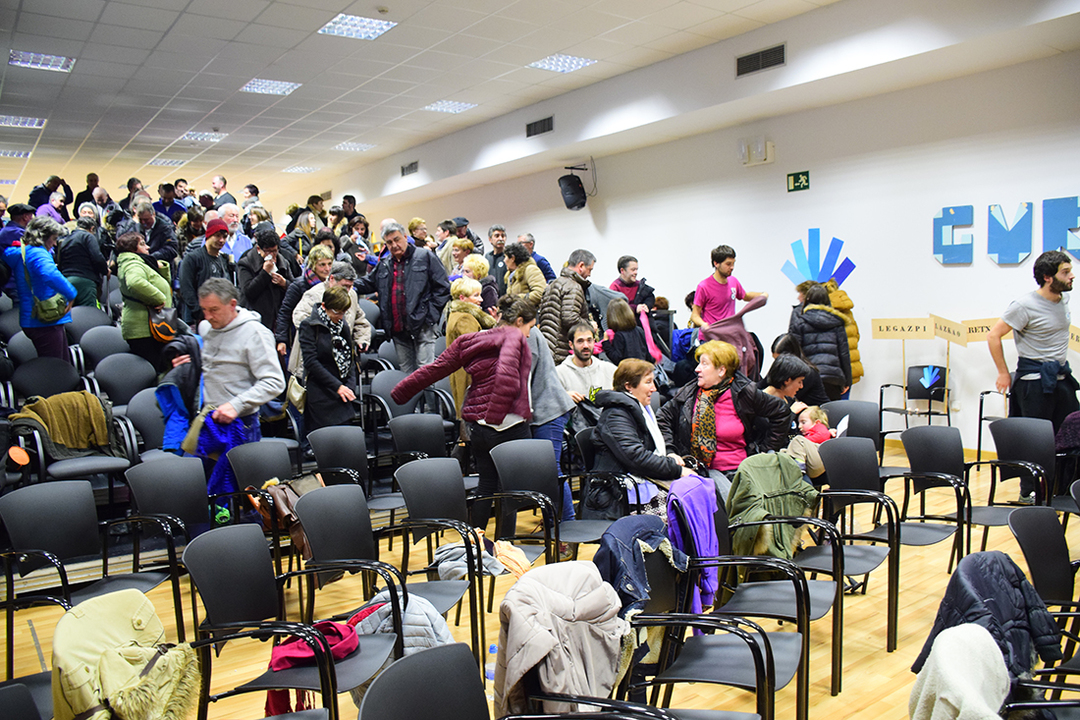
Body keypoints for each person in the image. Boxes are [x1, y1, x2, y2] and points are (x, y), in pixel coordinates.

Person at [391, 299, 535, 529]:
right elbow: (506, 382)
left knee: (486, 485)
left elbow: (436, 369)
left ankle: (476, 540)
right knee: (509, 491)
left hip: (479, 427)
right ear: (519, 321)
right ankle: (505, 546)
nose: (528, 334)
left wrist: (401, 391)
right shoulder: (515, 341)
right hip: (509, 426)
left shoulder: (472, 340)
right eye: (529, 327)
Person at [174, 278, 285, 495]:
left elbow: (274, 382)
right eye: (204, 310)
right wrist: (187, 364)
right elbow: (210, 368)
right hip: (207, 420)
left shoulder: (255, 333)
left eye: (214, 310)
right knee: (199, 492)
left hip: (241, 425)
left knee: (240, 496)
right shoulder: (206, 328)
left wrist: (236, 404)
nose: (207, 316)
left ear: (232, 304)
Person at [989, 249, 1078, 502]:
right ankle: (1028, 491)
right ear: (1048, 277)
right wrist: (1003, 372)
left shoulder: (1062, 300)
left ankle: (1063, 488)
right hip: (1034, 383)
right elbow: (993, 335)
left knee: (1072, 433)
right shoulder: (1024, 305)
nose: (1072, 276)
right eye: (1065, 272)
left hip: (1060, 379)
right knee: (1035, 440)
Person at [658, 340, 789, 501]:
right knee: (731, 504)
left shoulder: (744, 392)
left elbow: (782, 413)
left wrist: (765, 450)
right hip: (703, 471)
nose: (697, 369)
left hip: (742, 469)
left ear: (721, 370)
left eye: (704, 364)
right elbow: (662, 418)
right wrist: (670, 451)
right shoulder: (688, 393)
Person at [354, 222, 450, 374]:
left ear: (405, 237)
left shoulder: (425, 257)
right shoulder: (385, 264)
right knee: (406, 375)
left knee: (425, 374)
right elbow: (368, 283)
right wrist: (345, 283)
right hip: (398, 328)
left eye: (397, 239)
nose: (394, 245)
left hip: (423, 325)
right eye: (389, 242)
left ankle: (428, 394)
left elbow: (443, 287)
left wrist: (431, 315)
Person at [593, 358, 689, 485]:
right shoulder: (615, 415)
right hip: (615, 490)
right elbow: (636, 458)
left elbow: (652, 444)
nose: (654, 388)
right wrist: (677, 470)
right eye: (648, 382)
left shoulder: (641, 410)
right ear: (628, 386)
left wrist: (669, 453)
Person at [4, 216, 76, 360]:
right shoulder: (38, 253)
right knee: (55, 364)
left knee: (58, 362)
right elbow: (50, 274)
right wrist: (71, 293)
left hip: (33, 317)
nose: (54, 243)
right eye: (53, 239)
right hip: (45, 318)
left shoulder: (23, 252)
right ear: (42, 237)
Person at [297, 285, 358, 433]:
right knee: (324, 437)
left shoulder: (342, 325)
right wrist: (337, 386)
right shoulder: (309, 325)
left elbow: (349, 357)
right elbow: (311, 362)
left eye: (343, 312)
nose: (340, 317)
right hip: (321, 391)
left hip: (342, 391)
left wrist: (350, 385)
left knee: (345, 436)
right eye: (337, 312)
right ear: (324, 306)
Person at [116, 231, 172, 370]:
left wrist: (160, 267)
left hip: (151, 326)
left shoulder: (140, 262)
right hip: (144, 329)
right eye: (142, 244)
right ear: (132, 249)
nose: (147, 247)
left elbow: (163, 282)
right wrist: (159, 299)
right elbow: (135, 283)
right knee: (155, 369)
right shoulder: (132, 263)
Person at [787, 283, 851, 401]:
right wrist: (847, 380)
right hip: (833, 377)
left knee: (809, 411)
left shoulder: (800, 321)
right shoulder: (838, 322)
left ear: (807, 300)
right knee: (831, 411)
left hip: (807, 376)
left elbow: (794, 351)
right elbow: (844, 353)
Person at [445, 277, 497, 415]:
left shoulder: (456, 314)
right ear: (462, 298)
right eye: (476, 295)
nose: (481, 299)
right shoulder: (465, 319)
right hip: (469, 376)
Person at [274, 244, 335, 358]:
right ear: (313, 265)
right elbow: (285, 312)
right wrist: (281, 340)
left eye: (329, 264)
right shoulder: (298, 285)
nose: (327, 269)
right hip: (299, 337)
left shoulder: (333, 285)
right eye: (322, 265)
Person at [538, 249, 595, 365]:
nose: (589, 274)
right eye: (590, 269)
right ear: (581, 266)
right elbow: (570, 318)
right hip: (560, 350)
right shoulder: (573, 287)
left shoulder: (553, 284)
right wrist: (589, 325)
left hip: (546, 347)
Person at [689, 245, 766, 327]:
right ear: (716, 263)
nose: (732, 267)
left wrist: (762, 295)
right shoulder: (704, 286)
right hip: (712, 333)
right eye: (728, 264)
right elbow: (695, 316)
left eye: (733, 263)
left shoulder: (733, 281)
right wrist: (704, 325)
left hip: (729, 332)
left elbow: (745, 296)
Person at [178, 217, 232, 325]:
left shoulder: (223, 260)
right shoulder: (193, 258)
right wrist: (199, 312)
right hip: (197, 318)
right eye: (217, 236)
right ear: (208, 236)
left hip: (220, 317)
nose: (221, 240)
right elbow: (186, 288)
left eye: (224, 237)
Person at [238, 227, 293, 331]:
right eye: (268, 252)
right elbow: (248, 292)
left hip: (278, 318)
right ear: (259, 249)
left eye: (274, 251)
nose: (271, 255)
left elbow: (294, 287)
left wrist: (284, 283)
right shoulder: (246, 263)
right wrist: (264, 273)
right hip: (256, 318)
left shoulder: (283, 262)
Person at [556, 322, 617, 405]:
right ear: (571, 345)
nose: (586, 346)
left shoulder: (610, 370)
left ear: (594, 342)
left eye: (589, 340)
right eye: (580, 341)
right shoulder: (559, 374)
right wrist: (563, 397)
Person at [56, 216, 108, 307]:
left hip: (67, 280)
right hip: (85, 281)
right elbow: (97, 258)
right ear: (92, 228)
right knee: (87, 312)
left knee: (69, 311)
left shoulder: (65, 240)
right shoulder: (88, 236)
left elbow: (59, 261)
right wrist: (105, 271)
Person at [770, 334, 829, 406]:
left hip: (816, 410)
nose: (778, 363)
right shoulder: (783, 369)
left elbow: (786, 396)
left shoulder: (807, 372)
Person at [604, 297, 652, 366]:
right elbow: (647, 353)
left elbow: (617, 359)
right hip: (642, 367)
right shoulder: (639, 330)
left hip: (629, 370)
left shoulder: (619, 335)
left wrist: (606, 343)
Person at [504, 241, 547, 308]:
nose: (504, 260)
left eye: (505, 257)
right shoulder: (511, 275)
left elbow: (539, 293)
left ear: (512, 258)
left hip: (530, 312)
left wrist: (515, 299)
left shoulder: (530, 269)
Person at [485, 225, 508, 294]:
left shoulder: (508, 257)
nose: (500, 239)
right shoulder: (487, 257)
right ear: (490, 239)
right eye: (497, 236)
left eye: (503, 236)